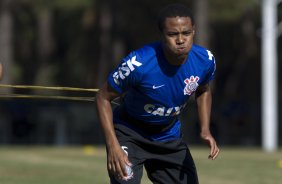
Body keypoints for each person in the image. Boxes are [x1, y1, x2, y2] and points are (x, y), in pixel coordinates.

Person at [95, 3, 220, 184]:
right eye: (172, 34)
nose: (180, 40)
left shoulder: (205, 61)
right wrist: (113, 145)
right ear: (162, 35)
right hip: (130, 135)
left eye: (186, 33)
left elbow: (203, 90)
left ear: (194, 31)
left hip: (168, 137)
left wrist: (205, 129)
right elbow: (102, 98)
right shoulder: (138, 64)